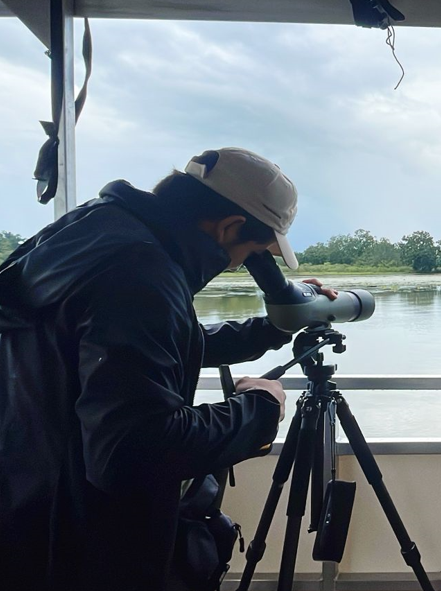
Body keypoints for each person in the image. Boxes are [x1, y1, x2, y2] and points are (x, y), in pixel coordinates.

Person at [0, 147, 337, 591]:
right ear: (230, 227)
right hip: (87, 549)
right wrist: (258, 409)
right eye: (251, 252)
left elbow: (145, 343)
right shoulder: (142, 274)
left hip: (28, 511)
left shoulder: (97, 232)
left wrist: (272, 328)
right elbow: (135, 447)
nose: (238, 264)